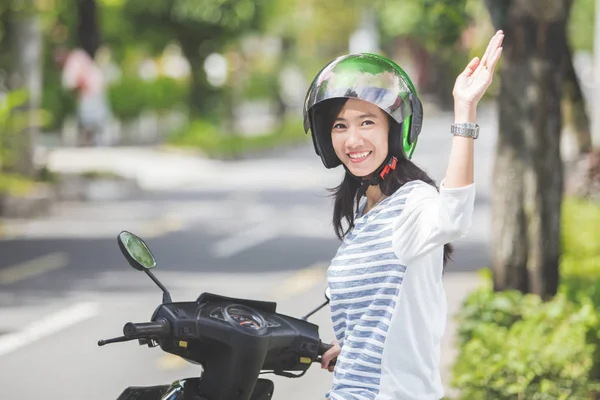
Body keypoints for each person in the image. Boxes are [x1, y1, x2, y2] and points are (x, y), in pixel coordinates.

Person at [303, 31, 504, 399]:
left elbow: (454, 214)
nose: (352, 140)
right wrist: (349, 350)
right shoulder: (364, 216)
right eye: (339, 125)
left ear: (392, 130)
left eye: (367, 122)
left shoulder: (414, 202)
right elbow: (381, 318)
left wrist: (465, 110)